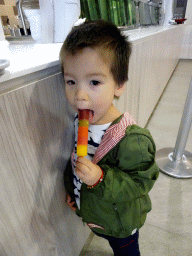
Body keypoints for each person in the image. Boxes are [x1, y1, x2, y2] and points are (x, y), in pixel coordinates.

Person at [60, 20, 159, 256]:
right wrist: (73, 189)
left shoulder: (131, 139)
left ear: (119, 85)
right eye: (71, 81)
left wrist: (100, 178)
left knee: (125, 251)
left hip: (121, 223)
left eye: (94, 82)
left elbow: (140, 183)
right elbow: (76, 158)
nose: (79, 96)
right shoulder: (79, 121)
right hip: (96, 213)